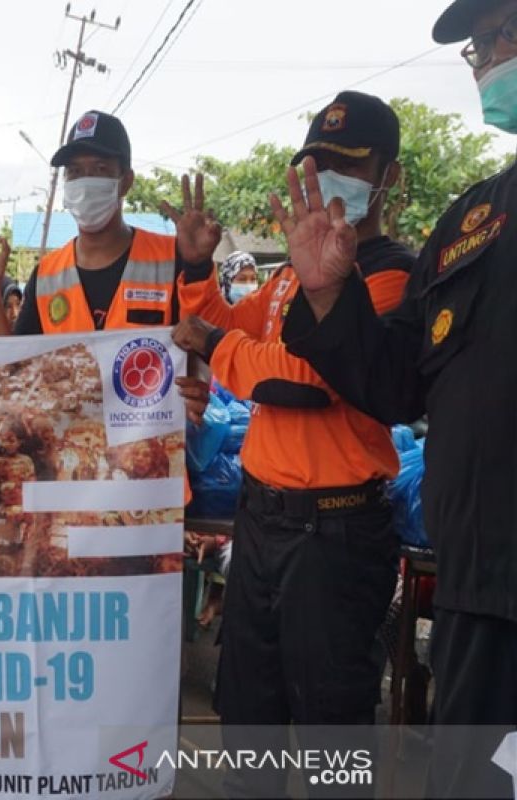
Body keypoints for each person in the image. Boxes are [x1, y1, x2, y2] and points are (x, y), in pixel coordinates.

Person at [278, 4, 517, 794]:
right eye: (476, 45)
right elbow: (395, 384)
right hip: (480, 590)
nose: (483, 57)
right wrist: (328, 295)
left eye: (499, 32)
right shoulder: (473, 220)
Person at [172, 90, 415, 795]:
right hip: (263, 520)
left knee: (330, 738)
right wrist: (194, 268)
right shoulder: (284, 278)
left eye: (348, 163)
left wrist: (221, 349)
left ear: (388, 177)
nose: (327, 177)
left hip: (334, 535)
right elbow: (223, 320)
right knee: (248, 721)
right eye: (317, 162)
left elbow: (305, 380)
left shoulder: (391, 273)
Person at [0, 110, 215, 427]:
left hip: (150, 460)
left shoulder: (175, 260)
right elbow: (14, 370)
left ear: (125, 181)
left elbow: (204, 349)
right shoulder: (47, 275)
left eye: (99, 169)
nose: (85, 183)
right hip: (72, 462)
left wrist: (196, 387)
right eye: (75, 172)